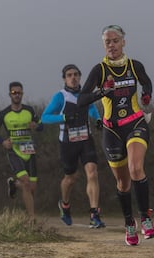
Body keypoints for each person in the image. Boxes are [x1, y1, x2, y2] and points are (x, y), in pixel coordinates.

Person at [77, 25, 154, 245]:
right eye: (107, 42)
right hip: (112, 130)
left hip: (135, 123)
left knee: (136, 168)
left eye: (115, 40)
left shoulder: (135, 66)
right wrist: (102, 92)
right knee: (123, 183)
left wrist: (147, 94)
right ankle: (129, 224)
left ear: (124, 42)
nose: (111, 45)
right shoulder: (99, 70)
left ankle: (146, 220)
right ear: (103, 45)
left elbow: (146, 81)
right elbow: (81, 99)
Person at [41, 64, 105, 228]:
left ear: (80, 77)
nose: (73, 77)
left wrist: (98, 120)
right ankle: (65, 204)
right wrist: (63, 117)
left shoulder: (86, 94)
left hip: (85, 139)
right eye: (69, 75)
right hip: (68, 142)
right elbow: (45, 117)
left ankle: (94, 214)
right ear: (64, 79)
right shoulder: (60, 97)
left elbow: (92, 109)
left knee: (92, 172)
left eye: (76, 74)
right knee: (70, 178)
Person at [0, 81, 43, 223]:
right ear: (10, 94)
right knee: (26, 182)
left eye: (19, 92)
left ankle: (14, 184)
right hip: (14, 152)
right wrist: (3, 142)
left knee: (31, 188)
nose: (17, 95)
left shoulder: (29, 110)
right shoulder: (4, 114)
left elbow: (42, 126)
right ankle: (32, 219)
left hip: (29, 151)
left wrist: (36, 126)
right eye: (14, 93)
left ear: (22, 94)